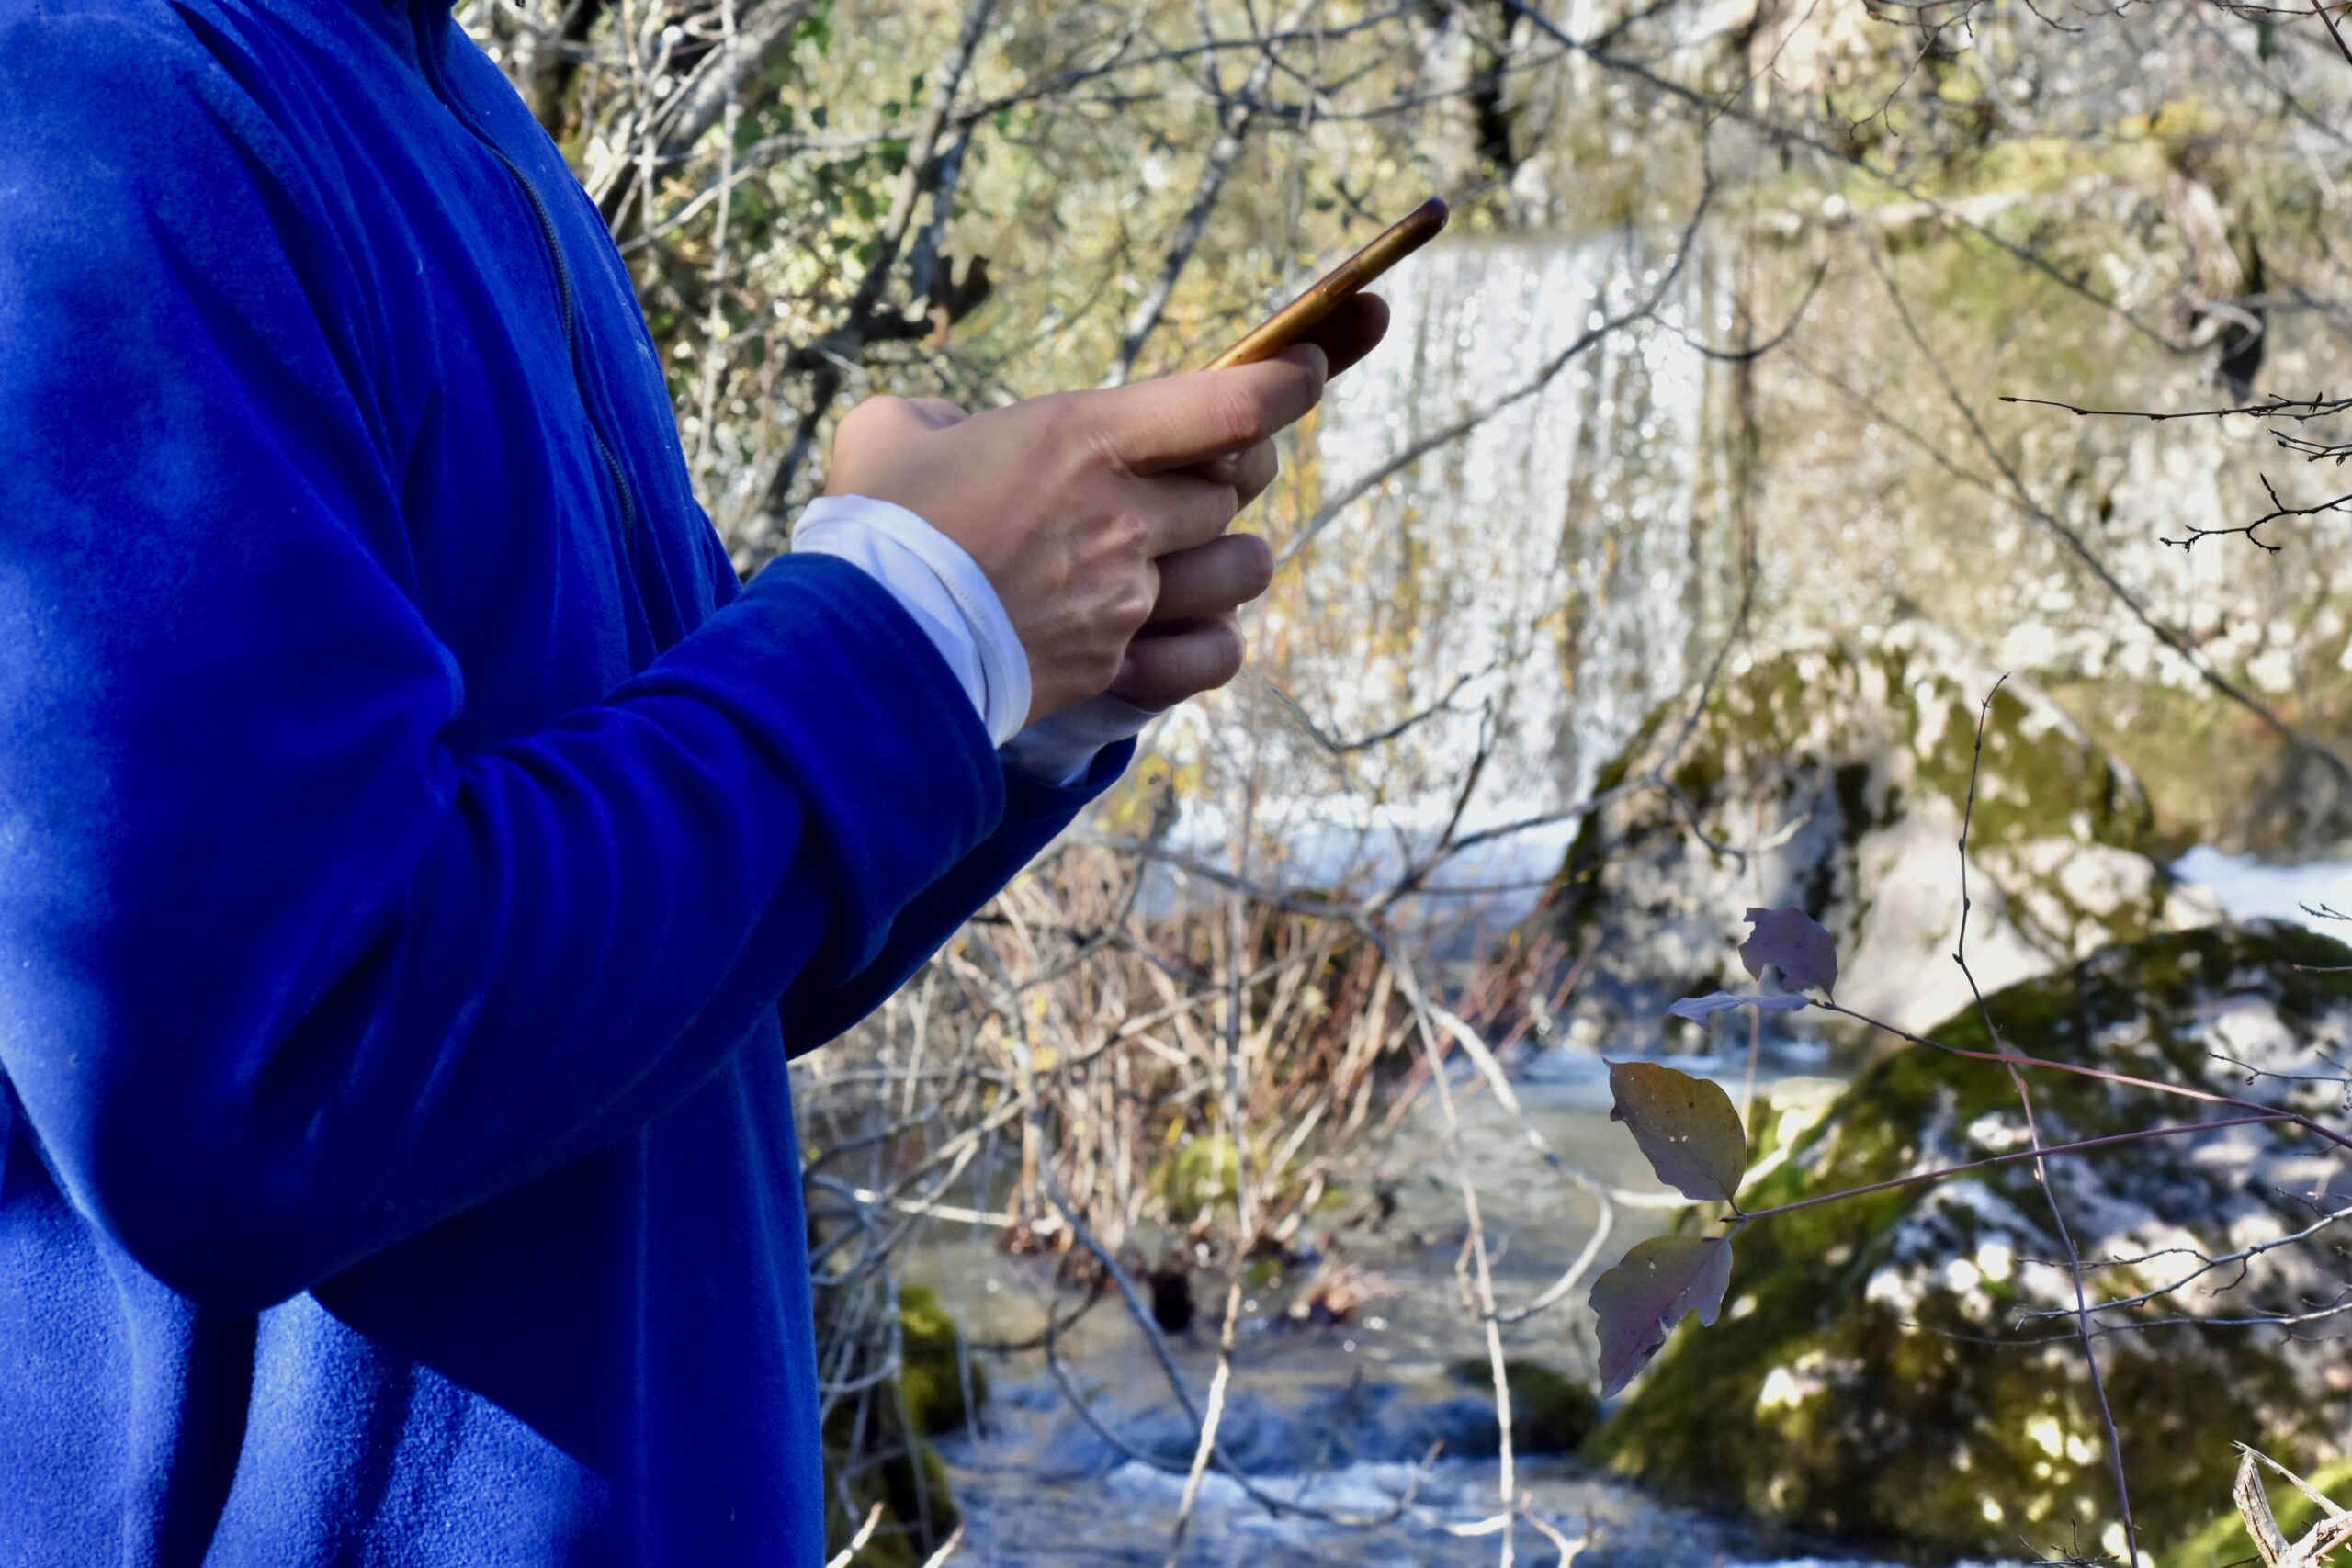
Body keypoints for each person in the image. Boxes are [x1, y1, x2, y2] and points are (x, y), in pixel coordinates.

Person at [0, 0, 1389, 1562]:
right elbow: (262, 1069)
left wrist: (1003, 690)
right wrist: (909, 636)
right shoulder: (99, 100)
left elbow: (670, 984)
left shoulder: (459, 116)